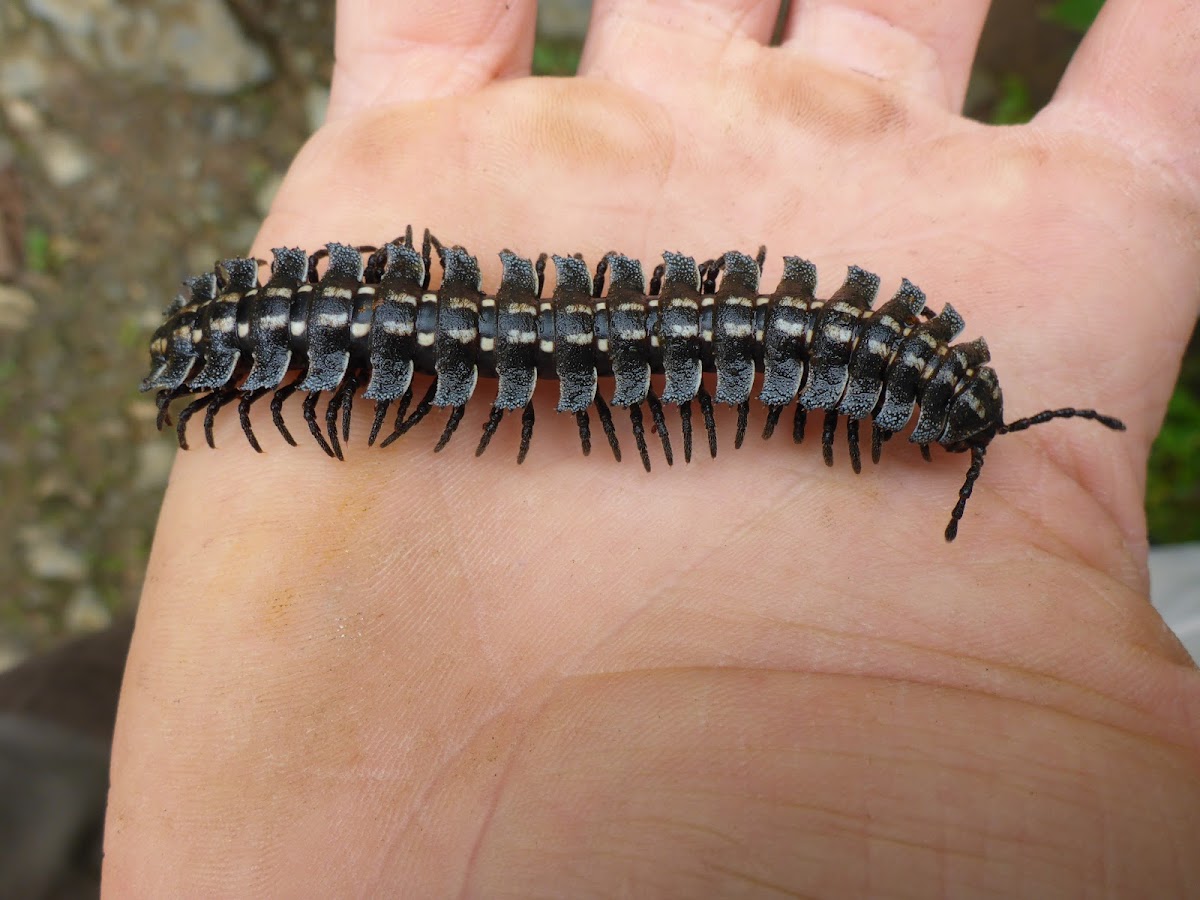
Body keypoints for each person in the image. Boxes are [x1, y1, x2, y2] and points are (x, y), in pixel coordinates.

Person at [105, 1, 1200, 894]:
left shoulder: (798, 357)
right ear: (866, 388)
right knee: (498, 343)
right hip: (318, 330)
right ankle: (244, 350)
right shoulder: (767, 358)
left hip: (376, 336)